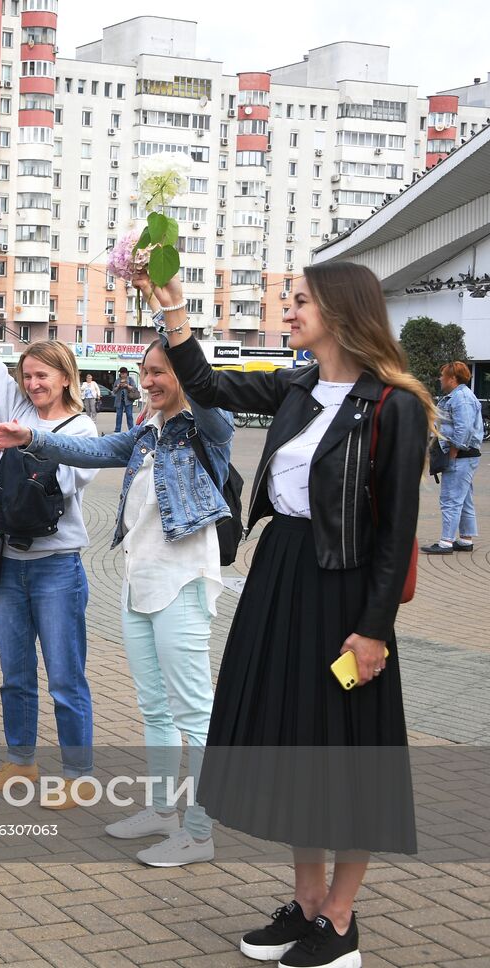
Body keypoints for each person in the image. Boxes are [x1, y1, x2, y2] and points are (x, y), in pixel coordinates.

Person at [143, 263, 430, 968]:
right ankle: (305, 907)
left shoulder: (396, 405)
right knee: (299, 746)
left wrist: (373, 629)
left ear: (340, 310)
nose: (289, 309)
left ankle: (340, 920)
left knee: (350, 755)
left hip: (347, 594)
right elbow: (208, 385)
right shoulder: (297, 385)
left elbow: (395, 535)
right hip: (282, 578)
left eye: (300, 301)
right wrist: (175, 309)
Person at [0, 338, 233, 865]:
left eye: (162, 371)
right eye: (146, 371)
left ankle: (200, 830)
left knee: (194, 713)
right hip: (139, 582)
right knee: (154, 708)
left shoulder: (209, 431)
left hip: (183, 583)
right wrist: (30, 435)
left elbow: (210, 405)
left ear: (186, 375)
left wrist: (181, 337)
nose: (151, 380)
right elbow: (90, 450)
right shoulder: (145, 434)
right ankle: (162, 810)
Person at [0, 262, 99, 806]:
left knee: (66, 678)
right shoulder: (14, 407)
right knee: (15, 674)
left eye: (42, 377)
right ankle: (20, 762)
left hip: (57, 566)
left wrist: (28, 440)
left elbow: (73, 479)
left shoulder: (83, 428)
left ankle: (78, 774)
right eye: (26, 376)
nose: (32, 385)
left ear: (66, 378)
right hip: (7, 565)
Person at [424, 361, 482, 554]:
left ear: (453, 378)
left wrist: (454, 451)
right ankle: (465, 539)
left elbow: (463, 428)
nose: (440, 378)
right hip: (466, 456)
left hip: (460, 456)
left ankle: (446, 542)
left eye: (442, 375)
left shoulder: (461, 398)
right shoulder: (458, 396)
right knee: (464, 498)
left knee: (450, 499)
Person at [113, 367, 137, 432]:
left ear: (126, 373)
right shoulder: (118, 380)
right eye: (121, 373)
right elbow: (114, 391)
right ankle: (117, 430)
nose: (122, 375)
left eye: (124, 373)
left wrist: (127, 386)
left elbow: (134, 388)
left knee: (129, 415)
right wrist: (118, 386)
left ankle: (131, 430)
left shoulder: (130, 379)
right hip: (119, 401)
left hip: (128, 400)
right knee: (119, 416)